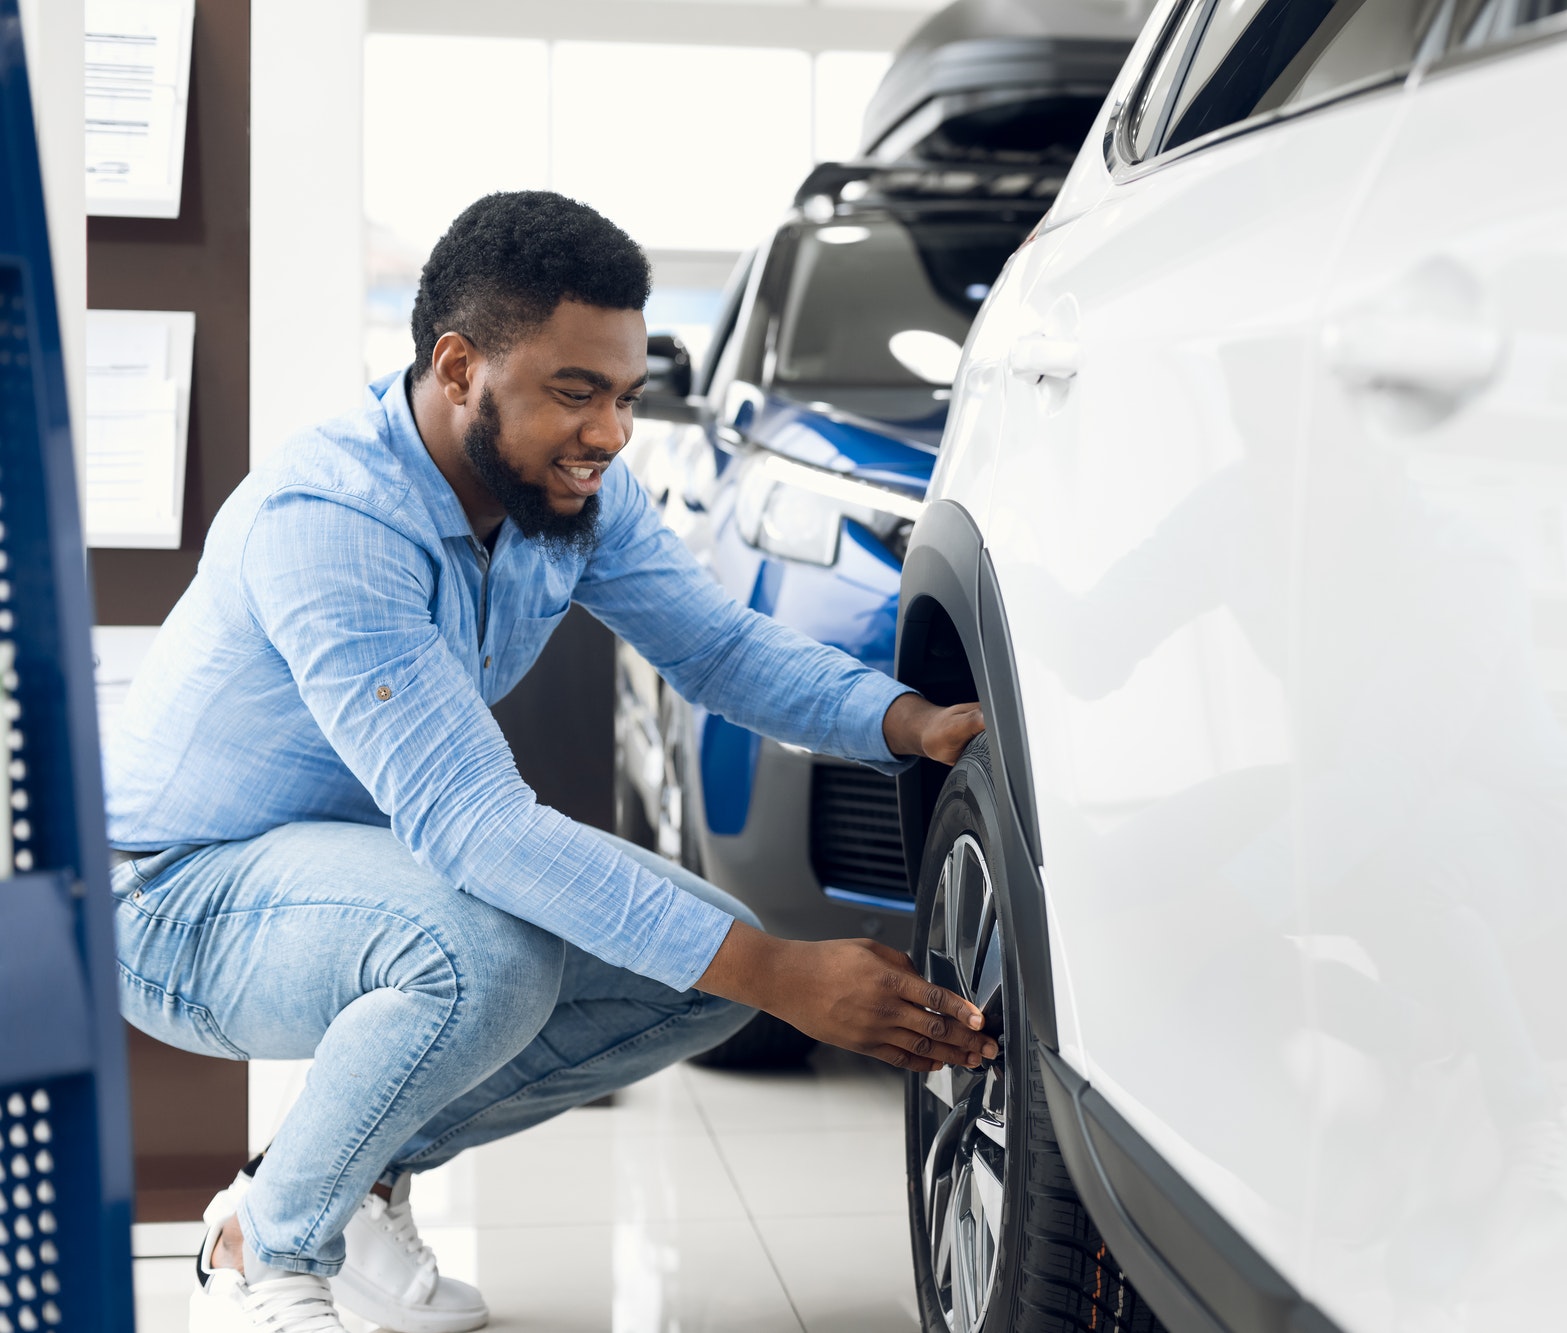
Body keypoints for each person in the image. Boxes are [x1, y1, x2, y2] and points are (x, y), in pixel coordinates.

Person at [104, 191, 993, 1333]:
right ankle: (259, 1256)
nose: (611, 433)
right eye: (574, 393)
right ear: (460, 366)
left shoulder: (567, 493)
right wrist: (781, 975)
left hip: (342, 870)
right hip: (176, 896)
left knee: (689, 969)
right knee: (486, 955)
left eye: (621, 396)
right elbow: (473, 828)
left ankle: (338, 1189)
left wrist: (908, 720)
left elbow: (714, 647)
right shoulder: (330, 517)